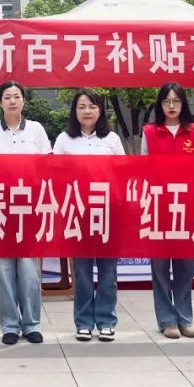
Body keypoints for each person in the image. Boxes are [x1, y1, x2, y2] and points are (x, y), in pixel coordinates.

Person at [0, 80, 52, 345]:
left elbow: (47, 164)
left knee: (30, 269)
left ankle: (31, 324)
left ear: (24, 101)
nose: (12, 101)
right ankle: (9, 325)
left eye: (17, 96)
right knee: (4, 268)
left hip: (30, 206)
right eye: (7, 97)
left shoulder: (36, 129)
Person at [54, 89, 125, 342]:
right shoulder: (64, 139)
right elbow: (56, 174)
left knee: (108, 269)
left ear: (100, 110)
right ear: (75, 111)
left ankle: (106, 321)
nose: (87, 111)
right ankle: (83, 322)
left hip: (108, 211)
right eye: (82, 106)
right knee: (82, 269)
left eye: (92, 106)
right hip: (78, 211)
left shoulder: (112, 139)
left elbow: (122, 174)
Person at [141, 83, 194, 340]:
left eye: (176, 100)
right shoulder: (150, 132)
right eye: (166, 101)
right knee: (160, 266)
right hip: (159, 206)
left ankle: (185, 318)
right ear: (160, 105)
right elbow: (144, 170)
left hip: (187, 207)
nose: (171, 105)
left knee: (185, 266)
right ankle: (167, 319)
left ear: (183, 103)